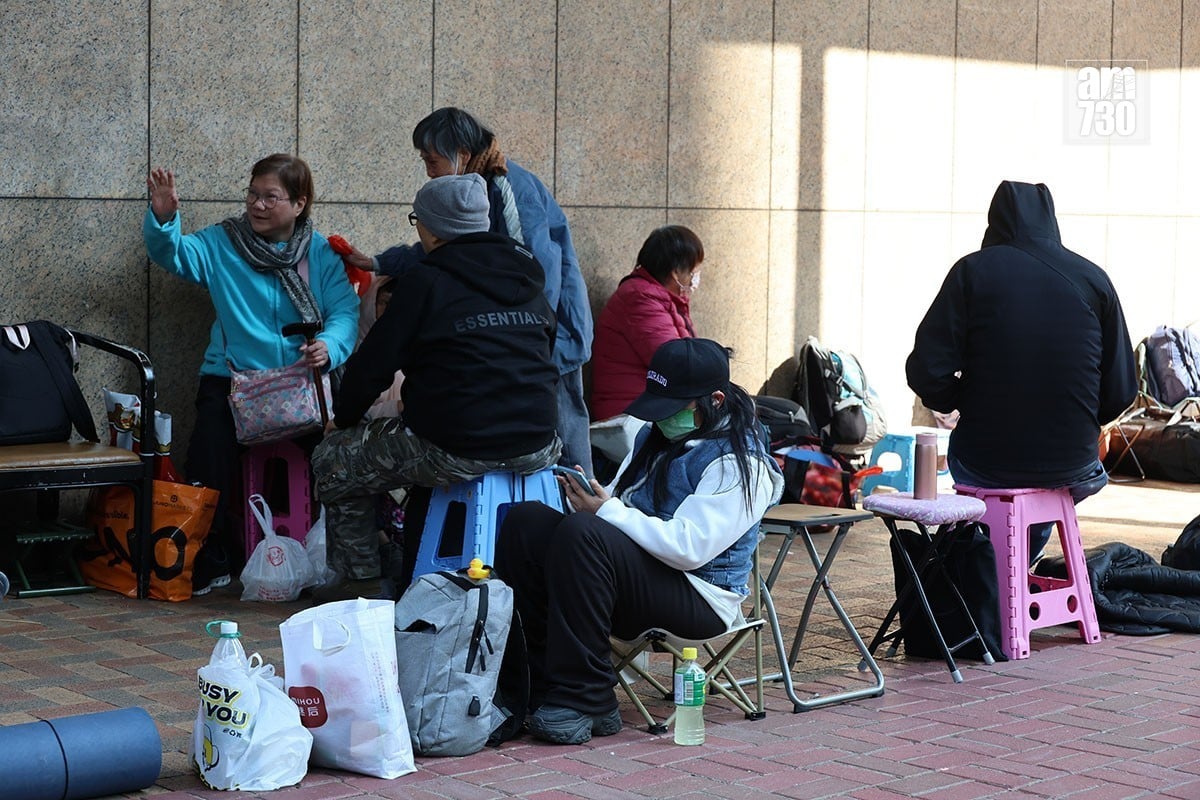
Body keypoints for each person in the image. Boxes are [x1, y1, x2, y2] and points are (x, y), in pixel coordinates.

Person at [494, 338, 783, 745]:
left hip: (701, 597)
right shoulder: (653, 436)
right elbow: (620, 507)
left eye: (672, 408)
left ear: (715, 400)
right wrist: (588, 500)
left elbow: (690, 549)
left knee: (585, 533)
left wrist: (605, 512)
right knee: (527, 523)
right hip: (641, 578)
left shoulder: (741, 462)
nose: (661, 418)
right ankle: (539, 686)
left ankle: (588, 697)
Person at [312, 173, 561, 600]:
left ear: (430, 228)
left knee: (333, 458)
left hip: (456, 446)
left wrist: (344, 419)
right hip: (540, 442)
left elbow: (372, 367)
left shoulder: (425, 281)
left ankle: (361, 582)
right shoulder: (527, 278)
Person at [144, 155, 359, 594]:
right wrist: (164, 220)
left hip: (302, 381)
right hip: (233, 380)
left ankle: (340, 556)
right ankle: (212, 556)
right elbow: (174, 254)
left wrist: (329, 346)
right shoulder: (222, 242)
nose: (257, 205)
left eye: (270, 197)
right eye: (253, 194)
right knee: (208, 457)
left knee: (342, 457)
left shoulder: (319, 252)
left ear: (299, 203)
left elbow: (344, 311)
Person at [342, 107, 594, 474]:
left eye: (432, 160)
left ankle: (586, 504)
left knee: (565, 442)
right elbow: (441, 248)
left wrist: (527, 341)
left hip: (550, 335)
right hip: (522, 339)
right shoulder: (466, 195)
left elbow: (538, 278)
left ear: (461, 153)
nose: (429, 171)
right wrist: (379, 263)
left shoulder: (509, 188)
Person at [906, 180, 1137, 559]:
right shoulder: (1094, 280)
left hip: (986, 458)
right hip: (1074, 463)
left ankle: (995, 566)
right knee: (1042, 493)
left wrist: (962, 400)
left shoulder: (972, 272)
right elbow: (1122, 390)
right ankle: (1018, 561)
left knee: (986, 478)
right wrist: (1076, 420)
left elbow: (927, 371)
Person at [589, 225, 703, 472]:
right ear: (675, 272)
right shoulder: (640, 299)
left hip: (652, 408)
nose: (695, 278)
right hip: (631, 413)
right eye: (692, 271)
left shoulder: (662, 299)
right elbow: (676, 363)